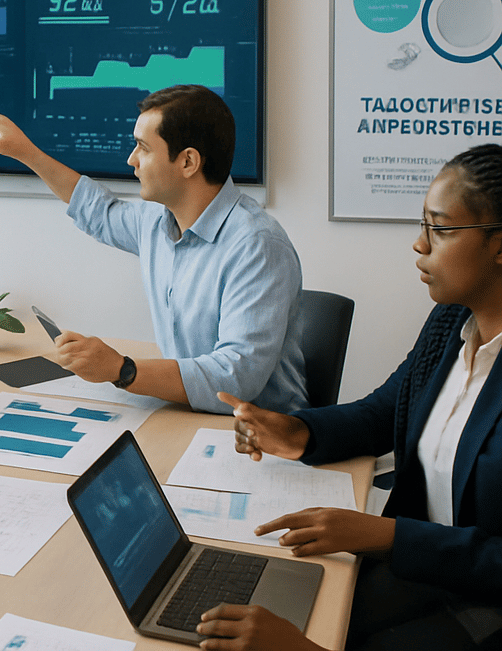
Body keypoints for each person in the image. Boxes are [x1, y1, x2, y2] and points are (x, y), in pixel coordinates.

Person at [198, 144, 502, 651]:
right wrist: (299, 432)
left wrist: (384, 536)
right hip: (427, 568)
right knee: (288, 605)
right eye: (422, 225)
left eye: (441, 229)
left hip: (486, 598)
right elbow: (387, 410)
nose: (419, 247)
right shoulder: (454, 318)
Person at [0, 85, 307, 414]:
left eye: (143, 148)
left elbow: (236, 379)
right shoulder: (156, 222)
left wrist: (123, 370)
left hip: (257, 433)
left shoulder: (257, 246)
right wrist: (28, 153)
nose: (131, 160)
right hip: (184, 414)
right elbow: (97, 210)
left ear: (188, 162)